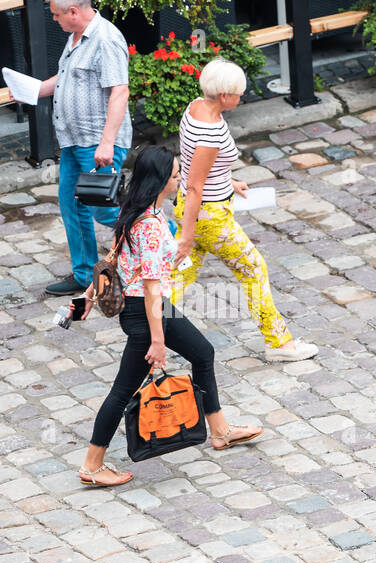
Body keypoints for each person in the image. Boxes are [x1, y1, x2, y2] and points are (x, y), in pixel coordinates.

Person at [77, 146, 262, 488]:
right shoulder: (147, 224)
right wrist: (158, 341)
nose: (180, 180)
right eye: (176, 176)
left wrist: (88, 296)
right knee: (122, 391)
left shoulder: (140, 210)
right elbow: (150, 291)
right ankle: (92, 465)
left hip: (149, 309)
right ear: (161, 181)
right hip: (146, 313)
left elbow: (114, 256)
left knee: (203, 353)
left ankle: (220, 431)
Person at [170, 59, 317, 362]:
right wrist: (186, 235)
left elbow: (197, 168)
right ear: (224, 96)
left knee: (180, 276)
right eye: (239, 93)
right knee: (254, 270)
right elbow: (198, 183)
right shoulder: (211, 131)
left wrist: (229, 181)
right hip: (209, 217)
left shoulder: (195, 107)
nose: (242, 97)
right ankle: (279, 342)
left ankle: (146, 327)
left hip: (192, 207)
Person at [37, 0, 132, 296]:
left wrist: (106, 142)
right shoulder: (75, 37)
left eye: (56, 15)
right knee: (72, 205)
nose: (54, 20)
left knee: (104, 211)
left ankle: (168, 240)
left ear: (74, 12)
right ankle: (84, 275)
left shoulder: (105, 39)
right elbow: (68, 77)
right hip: (73, 140)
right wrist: (36, 90)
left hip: (96, 143)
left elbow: (120, 91)